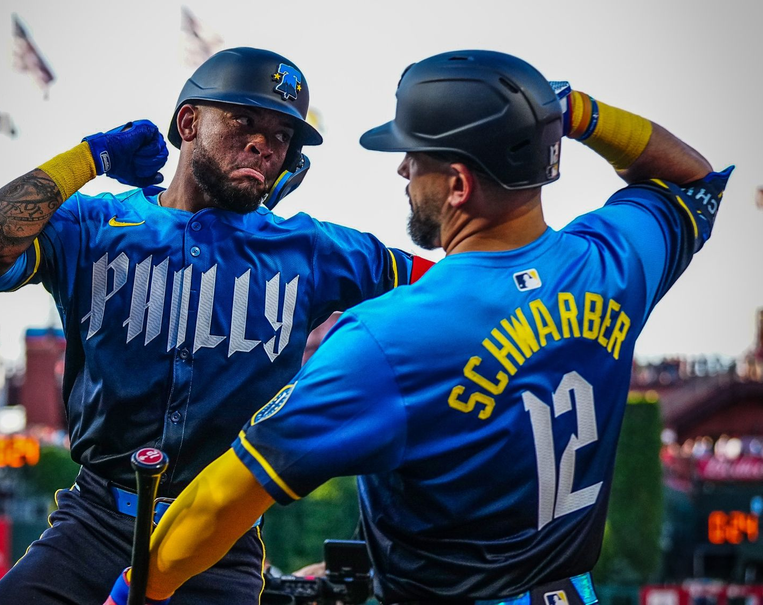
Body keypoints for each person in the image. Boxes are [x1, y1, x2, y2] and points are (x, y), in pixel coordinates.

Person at [104, 50, 733, 604]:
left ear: (457, 185)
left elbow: (218, 501)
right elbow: (694, 177)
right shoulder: (611, 262)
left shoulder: (388, 338)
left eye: (414, 158)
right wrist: (577, 114)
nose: (402, 173)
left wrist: (140, 590)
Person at [0, 47, 431, 605]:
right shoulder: (96, 225)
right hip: (93, 524)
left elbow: (456, 288)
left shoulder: (312, 247)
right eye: (244, 121)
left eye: (281, 136)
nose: (263, 144)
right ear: (188, 122)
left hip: (221, 544)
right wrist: (90, 156)